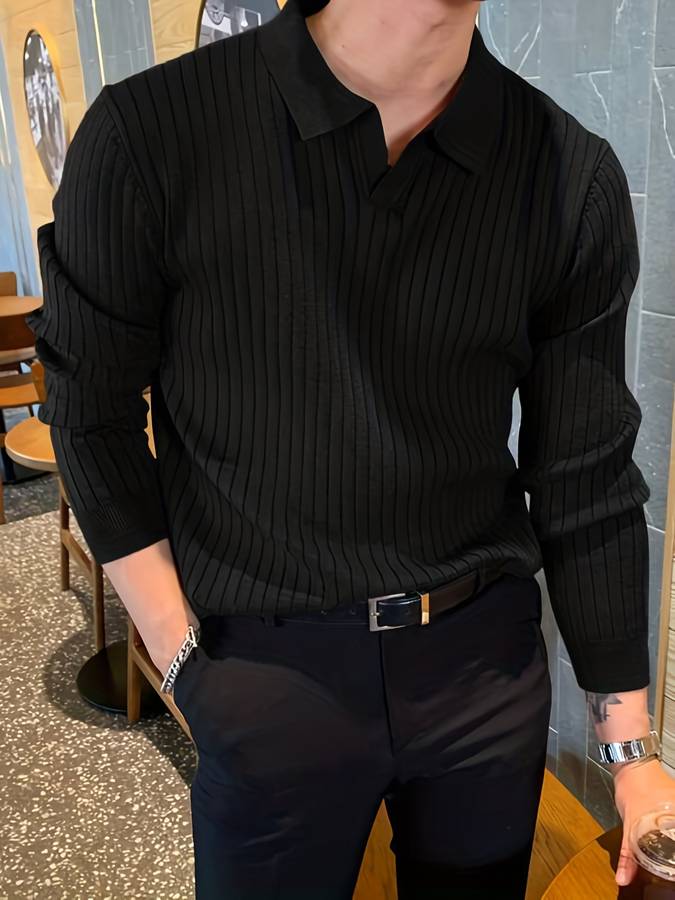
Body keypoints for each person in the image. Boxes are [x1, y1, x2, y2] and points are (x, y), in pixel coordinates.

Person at [26, 0, 674, 896]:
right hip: (263, 664)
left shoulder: (570, 174)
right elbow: (88, 413)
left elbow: (586, 476)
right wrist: (182, 661)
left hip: (481, 669)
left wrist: (632, 754)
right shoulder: (150, 133)